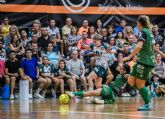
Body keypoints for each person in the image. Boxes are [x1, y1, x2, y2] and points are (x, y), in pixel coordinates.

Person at [122, 15, 155, 111]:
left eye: (137, 23)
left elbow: (139, 46)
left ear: (139, 23)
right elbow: (144, 45)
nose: (137, 25)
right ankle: (147, 94)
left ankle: (148, 103)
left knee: (140, 84)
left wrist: (129, 57)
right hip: (143, 60)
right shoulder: (149, 33)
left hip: (145, 62)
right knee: (131, 81)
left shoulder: (144, 32)